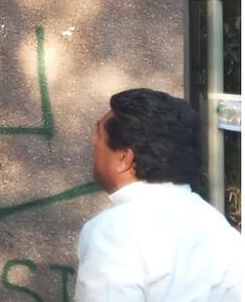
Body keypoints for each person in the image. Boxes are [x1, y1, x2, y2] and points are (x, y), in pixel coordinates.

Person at [76, 88, 243, 301]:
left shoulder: (114, 231)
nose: (92, 141)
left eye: (98, 134)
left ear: (124, 158)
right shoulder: (219, 229)